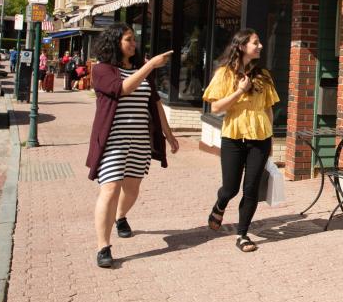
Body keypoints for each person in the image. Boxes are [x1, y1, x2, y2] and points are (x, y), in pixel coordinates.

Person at [86, 23, 179, 268]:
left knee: (133, 188)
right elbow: (122, 89)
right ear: (115, 42)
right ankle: (103, 247)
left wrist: (168, 134)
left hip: (139, 140)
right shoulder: (102, 70)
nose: (133, 44)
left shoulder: (139, 69)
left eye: (134, 40)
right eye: (128, 39)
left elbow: (156, 102)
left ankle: (121, 216)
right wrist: (150, 66)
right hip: (113, 141)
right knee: (110, 189)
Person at [202, 29, 280, 253]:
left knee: (251, 188)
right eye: (256, 42)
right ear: (242, 46)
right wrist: (239, 91)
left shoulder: (264, 75)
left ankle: (242, 234)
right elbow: (216, 108)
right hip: (234, 136)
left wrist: (271, 139)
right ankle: (220, 204)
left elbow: (268, 108)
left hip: (260, 137)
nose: (261, 46)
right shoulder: (225, 74)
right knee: (230, 188)